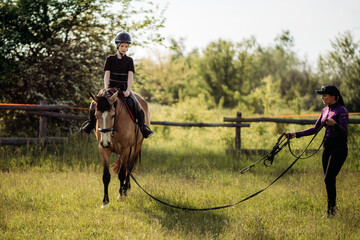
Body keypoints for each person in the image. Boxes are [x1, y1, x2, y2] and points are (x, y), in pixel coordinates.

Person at [288, 85, 348, 217]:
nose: (322, 97)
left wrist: (335, 125)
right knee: (328, 180)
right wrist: (296, 134)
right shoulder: (325, 110)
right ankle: (331, 210)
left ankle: (331, 211)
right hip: (327, 147)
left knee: (329, 178)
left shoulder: (341, 110)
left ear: (333, 97)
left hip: (339, 148)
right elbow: (315, 129)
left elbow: (344, 132)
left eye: (324, 95)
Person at [81, 32, 153, 138]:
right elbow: (107, 74)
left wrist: (128, 90)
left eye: (126, 46)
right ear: (118, 46)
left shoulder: (129, 61)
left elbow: (130, 76)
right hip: (110, 89)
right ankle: (91, 124)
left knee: (138, 106)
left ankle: (143, 128)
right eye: (122, 46)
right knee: (93, 104)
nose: (124, 48)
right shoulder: (110, 59)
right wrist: (106, 88)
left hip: (123, 90)